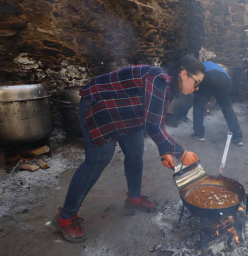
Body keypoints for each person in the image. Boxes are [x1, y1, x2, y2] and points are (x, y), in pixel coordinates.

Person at [53, 52, 205, 243]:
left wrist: (164, 150)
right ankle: (66, 216)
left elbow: (155, 118)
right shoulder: (159, 80)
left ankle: (134, 197)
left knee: (135, 153)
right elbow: (153, 126)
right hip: (101, 107)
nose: (197, 88)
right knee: (98, 160)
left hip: (127, 112)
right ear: (184, 74)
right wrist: (182, 154)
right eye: (196, 82)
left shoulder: (170, 86)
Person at [192, 61, 243, 146]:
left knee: (198, 106)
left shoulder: (199, 65)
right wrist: (211, 104)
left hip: (207, 77)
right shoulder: (219, 68)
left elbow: (196, 81)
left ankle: (199, 134)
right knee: (227, 108)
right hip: (224, 80)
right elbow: (218, 95)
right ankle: (238, 137)